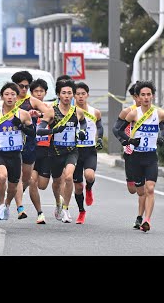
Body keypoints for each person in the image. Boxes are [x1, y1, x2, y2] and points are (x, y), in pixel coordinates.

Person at [114, 80, 164, 232]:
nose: (146, 98)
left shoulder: (159, 114)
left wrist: (163, 137)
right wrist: (129, 141)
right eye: (143, 95)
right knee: (140, 191)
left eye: (149, 95)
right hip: (135, 158)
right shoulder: (133, 114)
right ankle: (139, 216)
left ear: (153, 96)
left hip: (151, 157)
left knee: (150, 189)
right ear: (138, 97)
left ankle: (147, 220)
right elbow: (119, 130)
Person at [36, 79, 87, 223]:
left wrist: (81, 132)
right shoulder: (51, 111)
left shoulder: (78, 112)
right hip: (55, 151)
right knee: (57, 182)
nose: (66, 96)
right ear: (58, 94)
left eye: (69, 93)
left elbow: (83, 123)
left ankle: (65, 208)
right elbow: (39, 131)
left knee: (69, 177)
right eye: (63, 93)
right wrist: (53, 130)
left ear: (73, 95)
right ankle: (58, 203)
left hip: (72, 150)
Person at [0, 82, 39, 221]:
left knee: (12, 187)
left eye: (13, 95)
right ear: (2, 97)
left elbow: (32, 133)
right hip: (0, 154)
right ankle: (0, 204)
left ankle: (7, 204)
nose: (10, 97)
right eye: (7, 94)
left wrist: (20, 125)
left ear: (17, 98)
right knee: (2, 177)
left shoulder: (23, 115)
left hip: (16, 155)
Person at [11, 70, 53, 220]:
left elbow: (50, 113)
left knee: (27, 178)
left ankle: (17, 197)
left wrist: (39, 116)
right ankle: (20, 207)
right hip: (13, 144)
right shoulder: (9, 100)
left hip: (30, 142)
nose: (23, 89)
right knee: (18, 175)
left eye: (26, 86)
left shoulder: (32, 101)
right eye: (21, 86)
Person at [112, 82, 145, 229]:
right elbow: (116, 129)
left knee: (144, 188)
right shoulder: (128, 112)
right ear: (134, 97)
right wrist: (124, 141)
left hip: (146, 153)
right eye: (138, 96)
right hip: (130, 153)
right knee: (133, 189)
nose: (141, 99)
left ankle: (140, 218)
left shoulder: (152, 112)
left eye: (145, 95)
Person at [72, 82, 103, 224]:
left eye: (83, 94)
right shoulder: (70, 112)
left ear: (87, 95)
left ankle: (89, 188)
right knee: (78, 187)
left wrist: (100, 139)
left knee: (89, 176)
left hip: (89, 150)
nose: (80, 97)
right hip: (74, 151)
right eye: (77, 94)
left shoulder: (95, 112)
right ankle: (81, 211)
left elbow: (100, 126)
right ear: (74, 96)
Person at [29, 78, 55, 224]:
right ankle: (40, 213)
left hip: (46, 152)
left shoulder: (49, 110)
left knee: (42, 185)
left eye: (41, 91)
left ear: (45, 93)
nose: (39, 94)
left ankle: (59, 201)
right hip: (32, 151)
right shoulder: (26, 110)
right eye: (36, 91)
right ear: (31, 93)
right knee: (32, 181)